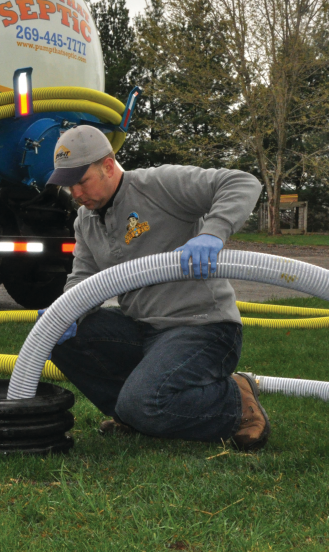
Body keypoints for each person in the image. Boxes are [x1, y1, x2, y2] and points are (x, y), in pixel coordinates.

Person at [45, 125, 269, 450]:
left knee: (146, 403)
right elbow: (83, 279)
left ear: (108, 166)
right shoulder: (86, 221)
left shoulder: (158, 185)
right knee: (63, 336)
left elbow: (241, 182)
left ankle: (235, 400)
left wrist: (211, 233)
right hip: (144, 330)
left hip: (201, 327)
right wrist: (62, 314)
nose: (76, 194)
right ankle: (130, 416)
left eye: (82, 180)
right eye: (68, 186)